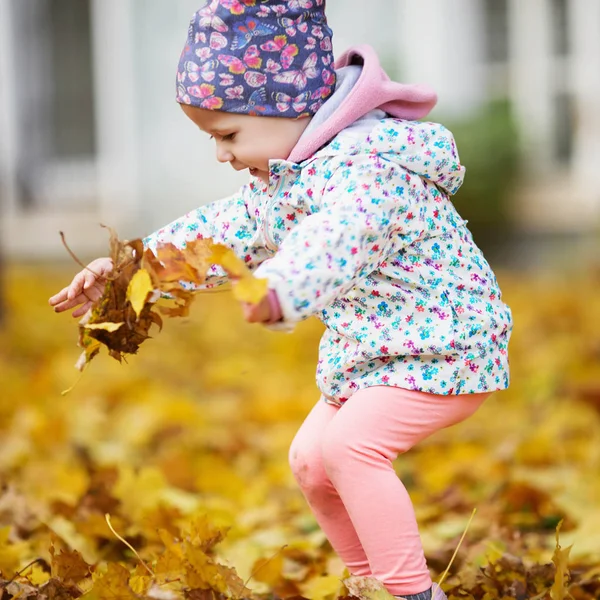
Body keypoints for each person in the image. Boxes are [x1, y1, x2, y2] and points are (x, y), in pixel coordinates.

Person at [49, 2, 513, 598]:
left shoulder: (368, 171)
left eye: (228, 135)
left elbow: (341, 235)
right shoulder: (286, 180)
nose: (221, 154)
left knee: (350, 449)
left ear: (287, 107)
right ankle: (367, 584)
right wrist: (125, 270)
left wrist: (283, 287)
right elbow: (216, 236)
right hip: (376, 353)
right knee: (311, 462)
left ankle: (410, 593)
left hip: (447, 346)